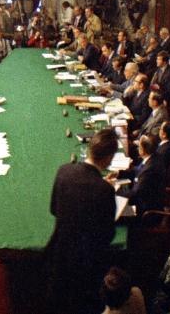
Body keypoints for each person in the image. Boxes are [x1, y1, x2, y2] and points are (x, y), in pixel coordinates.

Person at [47, 128, 119, 314]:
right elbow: (108, 235)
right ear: (109, 158)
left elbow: (54, 209)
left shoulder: (63, 171)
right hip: (88, 265)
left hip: (59, 255)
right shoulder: (106, 191)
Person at [113, 134, 165, 216]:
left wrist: (114, 191)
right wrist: (118, 174)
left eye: (139, 147)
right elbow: (136, 170)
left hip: (144, 211)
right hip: (143, 201)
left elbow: (134, 195)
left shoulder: (149, 170)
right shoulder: (153, 157)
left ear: (143, 150)